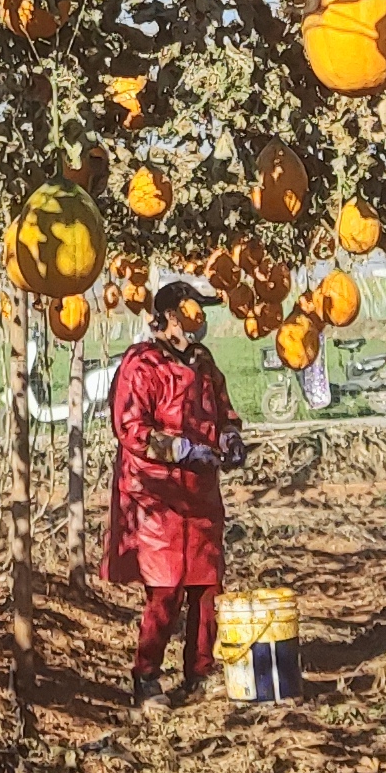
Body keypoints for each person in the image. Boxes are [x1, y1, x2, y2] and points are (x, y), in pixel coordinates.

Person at [105, 274, 241, 713]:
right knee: (165, 591)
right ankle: (146, 677)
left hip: (199, 494)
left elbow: (224, 412)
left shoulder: (204, 362)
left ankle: (200, 672)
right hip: (155, 495)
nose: (197, 321)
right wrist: (178, 447)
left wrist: (231, 438)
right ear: (166, 316)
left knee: (206, 588)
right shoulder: (141, 364)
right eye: (189, 312)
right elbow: (130, 428)